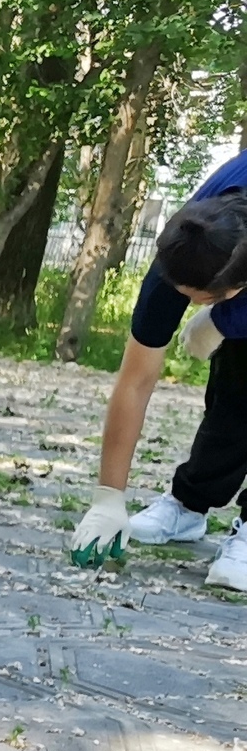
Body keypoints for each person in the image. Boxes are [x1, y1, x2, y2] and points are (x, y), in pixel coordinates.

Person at [70, 150, 247, 590]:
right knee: (235, 386)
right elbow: (135, 381)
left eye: (201, 298)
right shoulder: (183, 254)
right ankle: (190, 506)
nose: (188, 301)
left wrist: (224, 321)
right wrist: (108, 498)